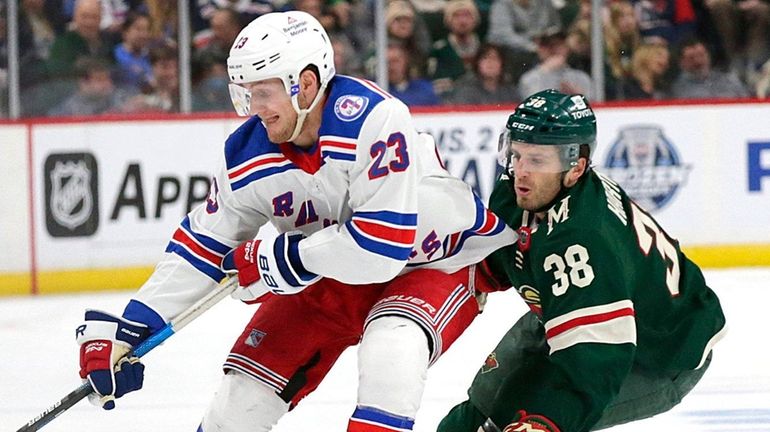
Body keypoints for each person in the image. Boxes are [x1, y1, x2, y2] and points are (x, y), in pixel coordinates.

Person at [73, 10, 515, 432]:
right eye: (243, 93)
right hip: (324, 269)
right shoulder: (247, 151)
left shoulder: (373, 119)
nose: (253, 108)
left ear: (305, 84)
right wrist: (128, 329)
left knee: (391, 354)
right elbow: (202, 246)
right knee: (237, 404)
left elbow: (381, 249)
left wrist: (279, 259)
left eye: (262, 93)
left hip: (429, 265)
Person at [436, 89, 727, 432]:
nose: (521, 172)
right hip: (574, 303)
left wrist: (547, 422)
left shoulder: (581, 239)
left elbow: (596, 361)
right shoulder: (524, 191)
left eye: (537, 160)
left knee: (527, 416)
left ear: (576, 168)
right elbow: (500, 258)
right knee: (477, 413)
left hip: (657, 352)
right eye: (517, 154)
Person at [670, 38, 750, 99]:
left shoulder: (728, 80)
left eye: (701, 55)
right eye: (691, 58)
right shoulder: (677, 89)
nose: (698, 61)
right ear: (681, 63)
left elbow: (747, 102)